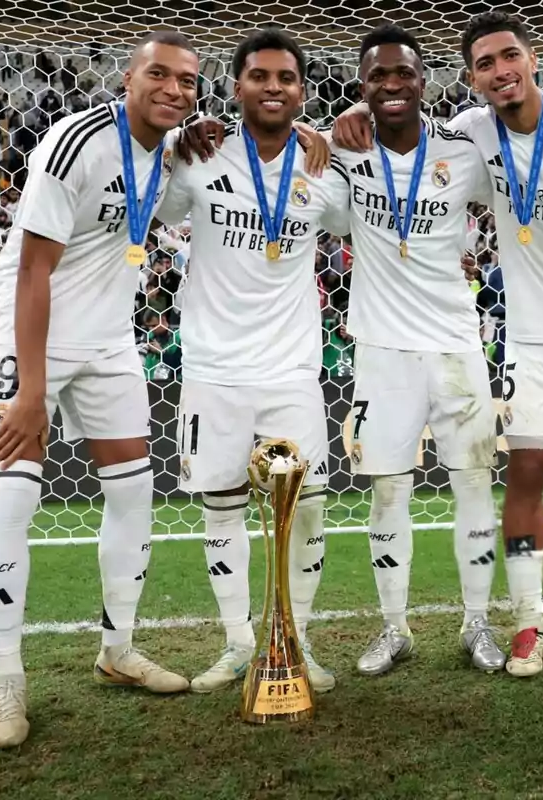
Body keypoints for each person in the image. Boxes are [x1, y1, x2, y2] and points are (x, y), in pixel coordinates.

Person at [332, 10, 543, 682]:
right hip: (531, 341)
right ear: (469, 79)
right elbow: (403, 123)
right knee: (522, 476)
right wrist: (353, 112)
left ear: (533, 57)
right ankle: (527, 625)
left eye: (508, 56)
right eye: (485, 64)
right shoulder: (469, 135)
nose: (500, 71)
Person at [0, 31, 202, 750]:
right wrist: (32, 389)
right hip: (30, 331)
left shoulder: (170, 152)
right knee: (14, 492)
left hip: (110, 338)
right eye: (158, 75)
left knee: (134, 490)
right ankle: (5, 681)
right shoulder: (75, 142)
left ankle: (118, 650)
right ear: (128, 78)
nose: (173, 89)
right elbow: (33, 270)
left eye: (188, 81)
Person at [155, 28, 351, 695]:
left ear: (302, 90)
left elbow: (372, 227)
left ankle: (293, 639)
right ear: (236, 85)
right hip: (212, 370)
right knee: (221, 509)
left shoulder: (324, 171)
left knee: (313, 509)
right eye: (260, 76)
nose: (273, 87)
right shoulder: (201, 158)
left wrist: (345, 141)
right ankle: (239, 642)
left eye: (286, 78)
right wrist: (174, 142)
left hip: (293, 370)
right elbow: (153, 205)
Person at [329, 24, 504, 677]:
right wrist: (341, 118)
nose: (392, 85)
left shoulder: (463, 148)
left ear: (424, 80)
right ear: (363, 86)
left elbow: (516, 147)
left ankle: (478, 622)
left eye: (403, 73)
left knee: (474, 487)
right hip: (381, 349)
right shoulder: (342, 147)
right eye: (378, 77)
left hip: (457, 343)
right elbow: (283, 141)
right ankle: (394, 627)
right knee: (387, 494)